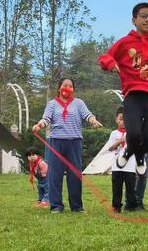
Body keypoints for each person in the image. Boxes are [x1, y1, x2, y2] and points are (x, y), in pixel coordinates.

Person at [98, 2, 148, 176]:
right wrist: (111, 63)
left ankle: (137, 153)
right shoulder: (125, 42)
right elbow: (105, 56)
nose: (147, 20)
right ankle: (132, 151)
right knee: (134, 133)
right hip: (132, 94)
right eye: (143, 16)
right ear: (134, 20)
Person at [32, 78, 102, 213]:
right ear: (59, 88)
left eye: (70, 86)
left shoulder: (78, 103)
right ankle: (56, 206)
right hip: (56, 142)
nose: (67, 88)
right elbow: (46, 118)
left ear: (73, 89)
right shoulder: (52, 104)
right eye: (65, 85)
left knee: (75, 175)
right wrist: (39, 125)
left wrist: (93, 121)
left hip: (74, 142)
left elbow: (87, 115)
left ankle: (77, 207)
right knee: (55, 175)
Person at [108, 107, 138, 212]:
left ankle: (131, 206)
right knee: (117, 188)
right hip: (117, 167)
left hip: (130, 166)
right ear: (116, 119)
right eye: (121, 119)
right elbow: (110, 148)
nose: (123, 122)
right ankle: (116, 206)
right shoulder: (114, 133)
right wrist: (120, 140)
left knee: (130, 188)